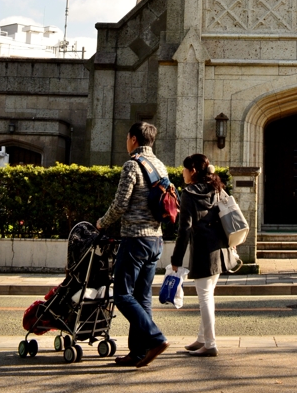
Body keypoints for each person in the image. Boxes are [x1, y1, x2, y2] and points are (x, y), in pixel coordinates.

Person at [96, 121, 169, 367]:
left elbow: (120, 205)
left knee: (122, 295)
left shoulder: (132, 165)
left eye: (127, 137)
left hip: (135, 239)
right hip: (155, 240)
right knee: (142, 297)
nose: (126, 142)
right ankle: (139, 352)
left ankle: (156, 338)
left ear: (134, 140)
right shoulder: (160, 166)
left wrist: (101, 223)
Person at [171, 153, 231, 357]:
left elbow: (185, 229)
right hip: (220, 247)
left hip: (203, 249)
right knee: (208, 294)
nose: (182, 172)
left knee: (204, 296)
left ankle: (211, 344)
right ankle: (202, 338)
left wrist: (176, 259)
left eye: (185, 169)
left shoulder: (189, 193)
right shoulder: (216, 188)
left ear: (193, 171)